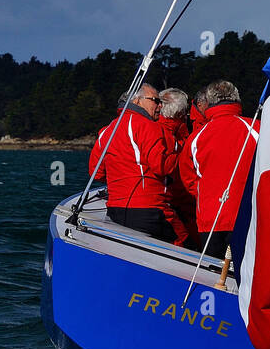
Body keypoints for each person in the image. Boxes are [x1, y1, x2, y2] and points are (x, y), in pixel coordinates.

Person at [180, 80, 258, 258]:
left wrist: (207, 195)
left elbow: (189, 179)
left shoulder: (196, 138)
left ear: (209, 103)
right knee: (245, 278)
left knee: (211, 276)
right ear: (237, 100)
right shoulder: (256, 129)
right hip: (248, 217)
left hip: (210, 219)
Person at [99, 84, 177, 240]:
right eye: (155, 100)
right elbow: (161, 166)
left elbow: (96, 171)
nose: (160, 105)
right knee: (182, 242)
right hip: (148, 210)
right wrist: (178, 154)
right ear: (137, 101)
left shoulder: (106, 131)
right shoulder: (150, 127)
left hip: (115, 210)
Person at [159, 87, 196, 246]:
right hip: (173, 203)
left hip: (180, 202)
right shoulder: (167, 135)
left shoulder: (174, 132)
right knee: (185, 241)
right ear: (180, 113)